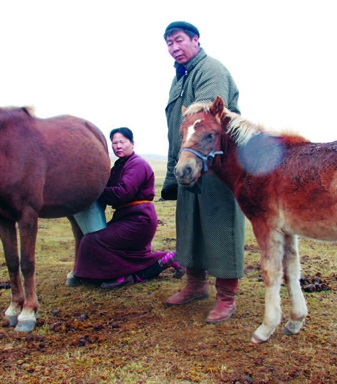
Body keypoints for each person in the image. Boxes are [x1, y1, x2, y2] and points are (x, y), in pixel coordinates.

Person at [162, 21, 246, 323]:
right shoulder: (179, 78)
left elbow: (205, 115)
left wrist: (193, 158)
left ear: (195, 40)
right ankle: (195, 285)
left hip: (214, 162)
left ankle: (227, 296)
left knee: (220, 224)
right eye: (169, 43)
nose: (174, 47)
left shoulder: (210, 69)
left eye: (179, 40)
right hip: (189, 160)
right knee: (190, 223)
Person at [71, 127, 184, 289]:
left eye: (122, 142)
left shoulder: (137, 164)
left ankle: (125, 275)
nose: (118, 146)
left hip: (138, 220)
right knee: (118, 248)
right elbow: (107, 186)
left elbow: (122, 193)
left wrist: (95, 190)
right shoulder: (118, 166)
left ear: (132, 143)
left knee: (91, 241)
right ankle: (165, 260)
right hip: (127, 217)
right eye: (114, 143)